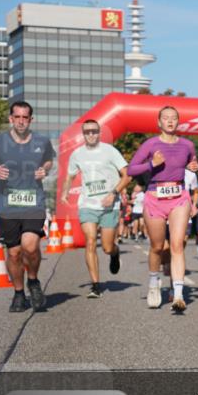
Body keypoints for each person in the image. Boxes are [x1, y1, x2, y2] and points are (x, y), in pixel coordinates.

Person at [0, 101, 55, 312]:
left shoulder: (41, 141)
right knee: (14, 254)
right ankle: (19, 293)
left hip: (34, 202)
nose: (21, 121)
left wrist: (44, 170)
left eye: (25, 117)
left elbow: (49, 161)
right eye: (17, 117)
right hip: (7, 206)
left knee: (30, 246)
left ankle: (34, 281)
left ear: (31, 119)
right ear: (10, 118)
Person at [127, 106, 197, 311]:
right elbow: (131, 169)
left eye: (174, 118)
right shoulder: (151, 144)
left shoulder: (187, 145)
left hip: (179, 197)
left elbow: (193, 163)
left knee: (177, 245)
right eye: (165, 118)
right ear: (159, 122)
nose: (169, 121)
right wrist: (152, 164)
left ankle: (178, 295)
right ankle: (153, 283)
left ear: (178, 122)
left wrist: (193, 167)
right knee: (157, 246)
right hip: (155, 197)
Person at [59, 119, 131, 298]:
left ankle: (114, 253)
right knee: (90, 241)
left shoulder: (110, 151)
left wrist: (113, 193)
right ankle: (96, 285)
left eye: (94, 131)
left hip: (109, 204)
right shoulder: (77, 154)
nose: (91, 134)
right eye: (87, 132)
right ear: (83, 134)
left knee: (106, 247)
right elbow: (69, 175)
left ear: (99, 133)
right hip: (87, 204)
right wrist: (64, 192)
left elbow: (127, 175)